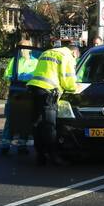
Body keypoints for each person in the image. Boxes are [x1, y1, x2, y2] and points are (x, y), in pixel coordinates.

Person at [26, 38, 79, 166]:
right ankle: (53, 156)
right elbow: (68, 80)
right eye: (76, 59)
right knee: (50, 125)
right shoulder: (66, 56)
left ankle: (40, 155)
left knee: (37, 124)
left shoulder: (48, 52)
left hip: (34, 88)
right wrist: (74, 88)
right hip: (48, 92)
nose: (75, 61)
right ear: (75, 53)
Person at [0, 45, 38, 155]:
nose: (22, 52)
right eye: (21, 50)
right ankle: (5, 144)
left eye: (25, 49)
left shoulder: (36, 62)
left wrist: (28, 77)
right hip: (15, 92)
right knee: (11, 118)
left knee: (26, 119)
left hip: (28, 93)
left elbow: (37, 76)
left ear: (30, 50)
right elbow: (7, 74)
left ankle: (22, 144)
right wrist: (15, 77)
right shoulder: (15, 60)